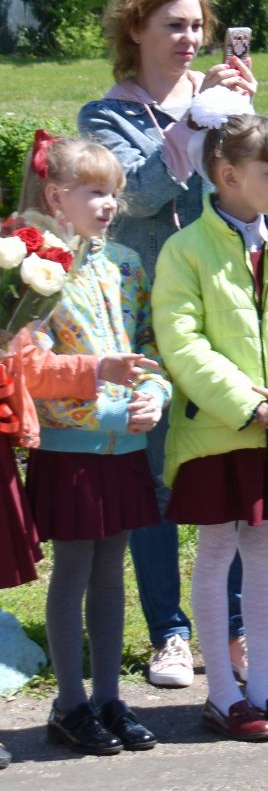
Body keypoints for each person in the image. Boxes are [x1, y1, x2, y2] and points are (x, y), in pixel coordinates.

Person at [79, 0, 268, 690]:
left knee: (226, 471)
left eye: (197, 25)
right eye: (173, 25)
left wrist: (243, 123)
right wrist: (195, 124)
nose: (190, 39)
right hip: (146, 314)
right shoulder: (105, 116)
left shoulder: (216, 103)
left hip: (223, 306)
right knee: (161, 480)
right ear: (135, 31)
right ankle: (170, 633)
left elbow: (259, 188)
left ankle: (232, 634)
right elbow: (132, 194)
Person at [154, 106, 268, 740]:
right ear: (227, 175)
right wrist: (247, 403)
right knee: (216, 552)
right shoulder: (185, 249)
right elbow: (181, 340)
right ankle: (223, 693)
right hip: (218, 430)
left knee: (262, 552)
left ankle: (262, 685)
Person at [20, 135, 170, 757]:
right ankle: (69, 705)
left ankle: (109, 698)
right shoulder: (31, 273)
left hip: (125, 449)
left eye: (114, 193)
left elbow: (150, 347)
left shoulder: (128, 264)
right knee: (74, 572)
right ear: (57, 198)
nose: (109, 204)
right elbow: (25, 366)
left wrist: (154, 393)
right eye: (94, 193)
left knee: (112, 574)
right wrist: (95, 372)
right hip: (68, 446)